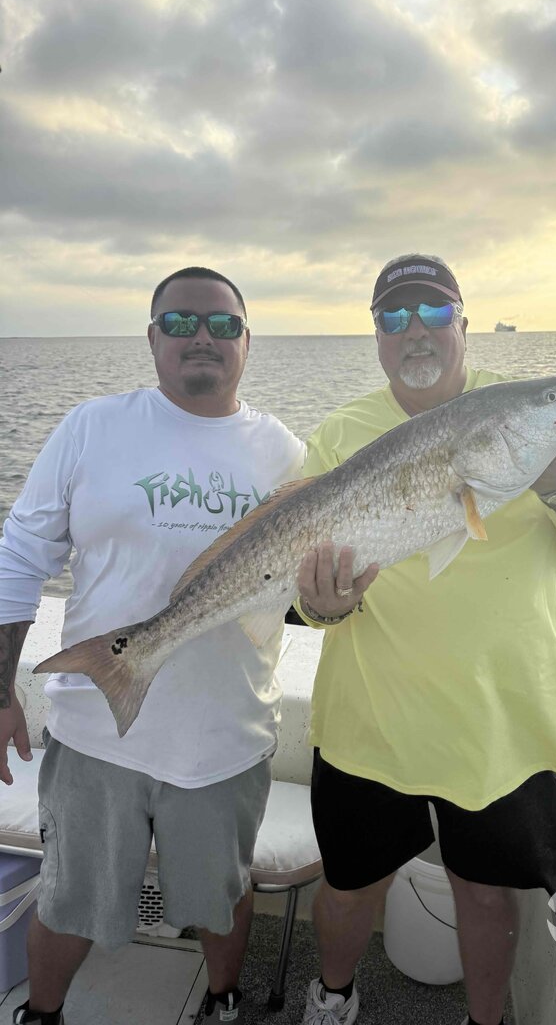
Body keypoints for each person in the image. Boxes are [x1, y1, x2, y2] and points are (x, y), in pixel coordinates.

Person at [295, 253, 556, 1025]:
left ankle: (487, 1021)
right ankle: (332, 998)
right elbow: (306, 600)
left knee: (485, 893)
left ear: (464, 325)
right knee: (349, 885)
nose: (416, 330)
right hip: (371, 716)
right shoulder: (339, 434)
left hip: (500, 721)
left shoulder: (530, 416)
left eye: (435, 312)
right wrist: (324, 607)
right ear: (376, 335)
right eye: (395, 316)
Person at [0, 267, 305, 1025]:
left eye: (223, 324)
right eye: (179, 322)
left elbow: (305, 589)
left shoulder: (284, 452)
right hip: (95, 732)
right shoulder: (92, 427)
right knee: (69, 902)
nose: (202, 336)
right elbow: (21, 556)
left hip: (226, 737)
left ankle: (222, 1002)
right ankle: (42, 1014)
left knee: (220, 900)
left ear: (247, 341)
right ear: (150, 337)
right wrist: (1, 688)